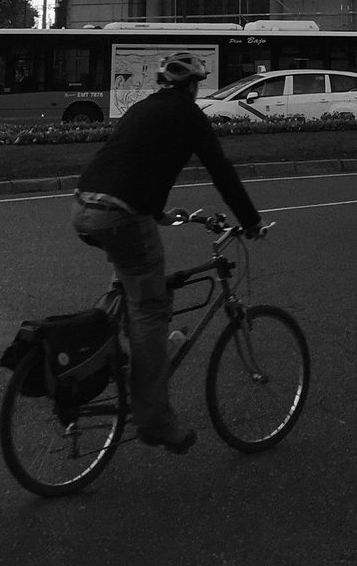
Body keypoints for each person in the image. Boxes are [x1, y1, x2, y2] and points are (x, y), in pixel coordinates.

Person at [71, 51, 264, 455]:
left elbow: (135, 161)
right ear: (193, 86)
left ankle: (102, 358)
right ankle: (155, 419)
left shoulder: (145, 108)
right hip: (123, 216)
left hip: (85, 206)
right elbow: (220, 170)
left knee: (128, 284)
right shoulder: (189, 114)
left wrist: (157, 213)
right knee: (152, 310)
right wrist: (249, 220)